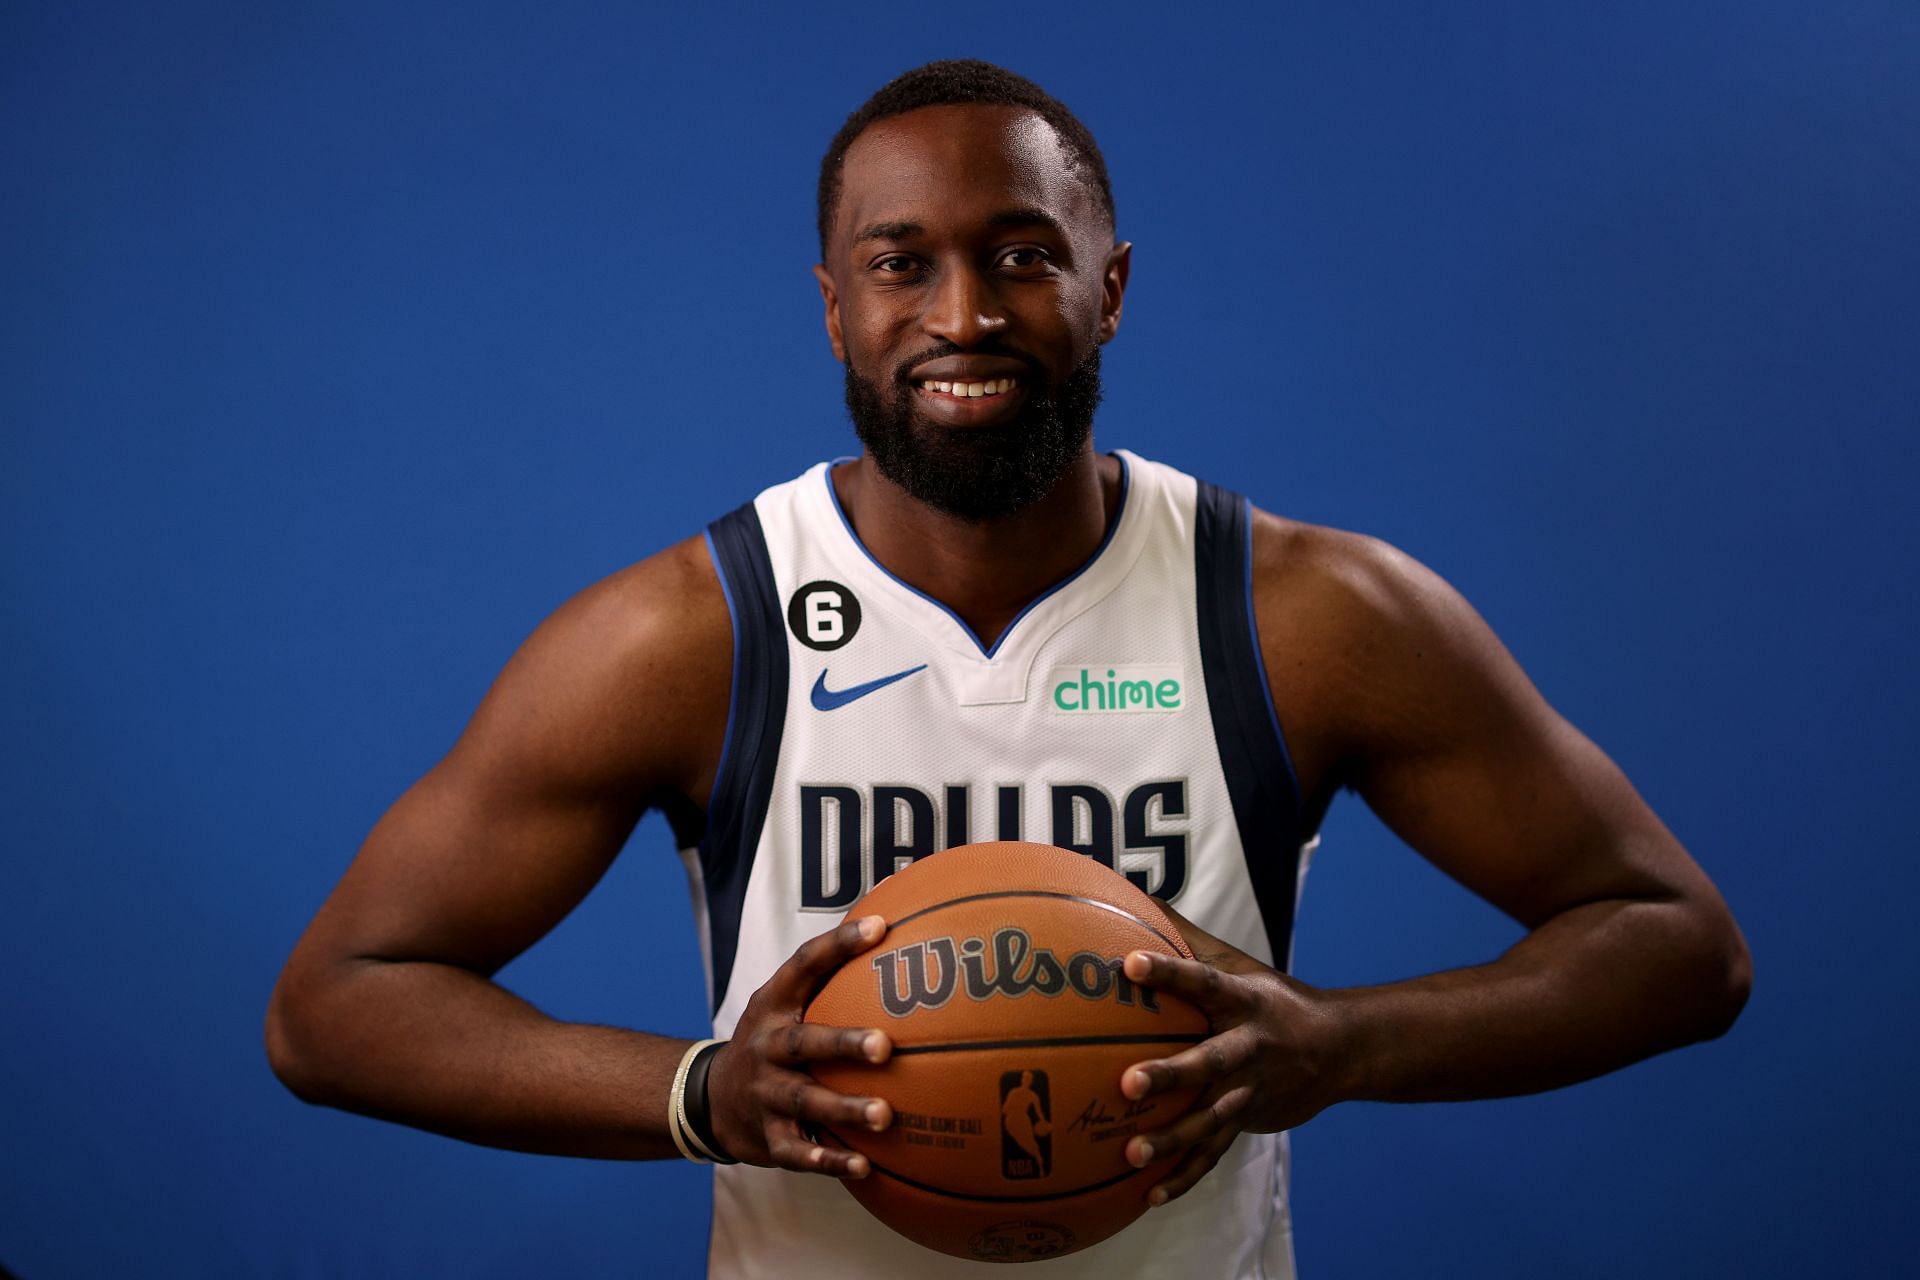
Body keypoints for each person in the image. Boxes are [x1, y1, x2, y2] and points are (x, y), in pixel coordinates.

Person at [265, 59, 1750, 1278]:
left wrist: (1343, 1043)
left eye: (1024, 257)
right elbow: (336, 1006)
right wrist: (704, 1092)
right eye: (900, 264)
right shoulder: (700, 632)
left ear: (1111, 287)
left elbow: (1679, 946)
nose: (963, 316)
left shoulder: (1302, 612)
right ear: (835, 304)